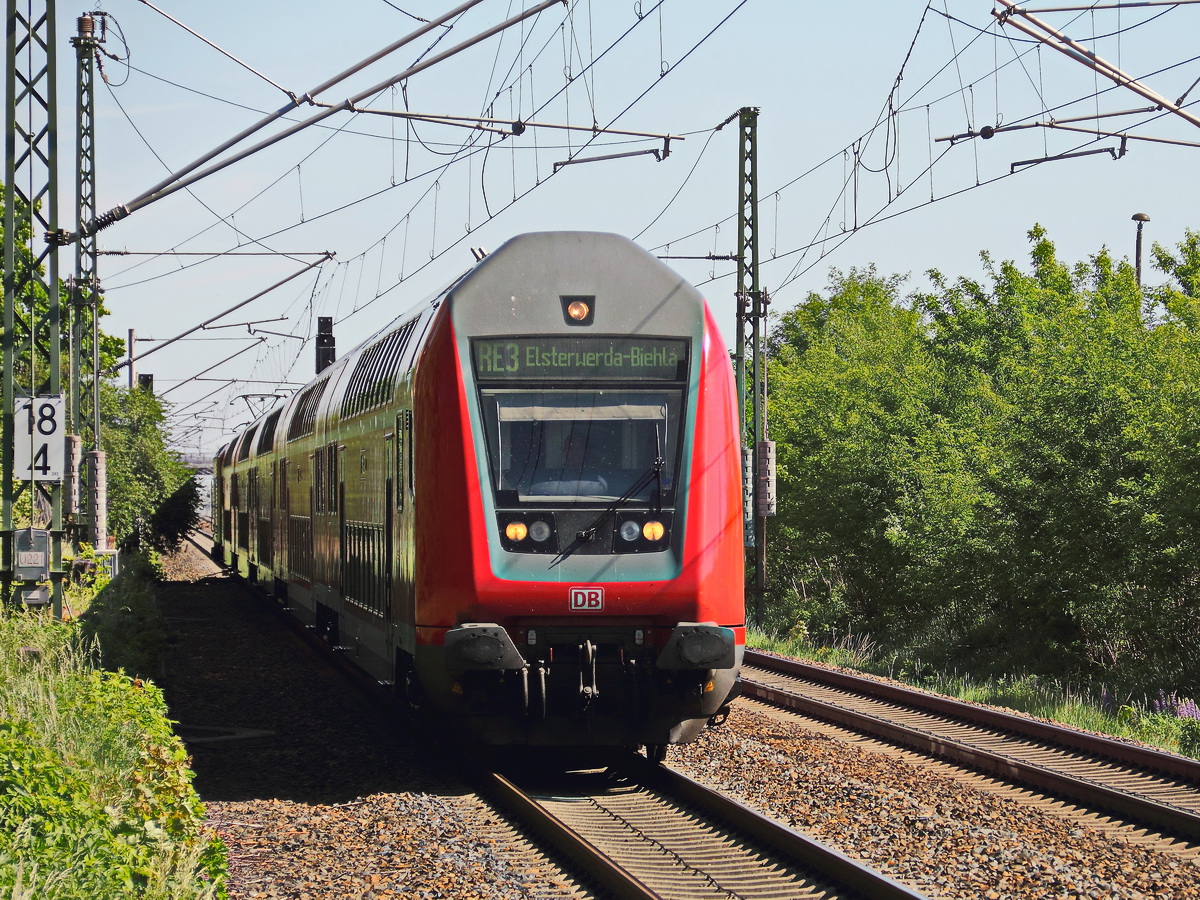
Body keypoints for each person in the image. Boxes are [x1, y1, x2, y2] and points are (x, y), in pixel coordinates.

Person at [530, 427, 608, 496]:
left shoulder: (596, 479)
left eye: (578, 449)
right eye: (569, 449)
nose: (573, 453)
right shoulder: (550, 477)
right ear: (564, 451)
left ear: (585, 452)